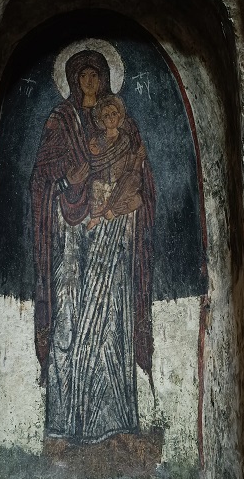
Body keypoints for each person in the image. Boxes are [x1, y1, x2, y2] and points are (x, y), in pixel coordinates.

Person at [30, 48, 156, 443]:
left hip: (113, 231)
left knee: (112, 320)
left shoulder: (123, 122)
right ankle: (65, 426)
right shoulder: (61, 121)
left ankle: (117, 423)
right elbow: (41, 177)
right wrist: (69, 182)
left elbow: (141, 176)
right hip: (69, 236)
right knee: (68, 316)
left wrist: (121, 205)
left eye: (95, 74)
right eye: (82, 75)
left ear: (104, 78)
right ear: (71, 79)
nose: (89, 82)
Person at [87, 94, 146, 231]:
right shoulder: (97, 141)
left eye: (114, 113)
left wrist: (138, 157)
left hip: (121, 184)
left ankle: (112, 211)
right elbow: (94, 164)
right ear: (101, 120)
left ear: (119, 115)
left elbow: (133, 166)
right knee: (96, 184)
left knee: (134, 184)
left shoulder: (126, 139)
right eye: (106, 116)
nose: (111, 118)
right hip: (103, 187)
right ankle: (98, 216)